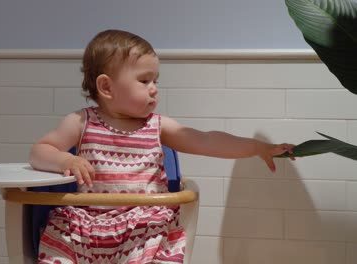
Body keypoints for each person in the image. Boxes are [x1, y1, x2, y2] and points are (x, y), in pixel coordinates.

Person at [29, 29, 295, 264]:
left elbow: (207, 140)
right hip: (89, 226)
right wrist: (65, 161)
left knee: (159, 235)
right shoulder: (80, 122)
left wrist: (257, 147)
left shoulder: (157, 126)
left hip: (143, 227)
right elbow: (40, 150)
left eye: (156, 80)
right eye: (144, 81)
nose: (154, 89)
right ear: (106, 86)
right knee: (60, 234)